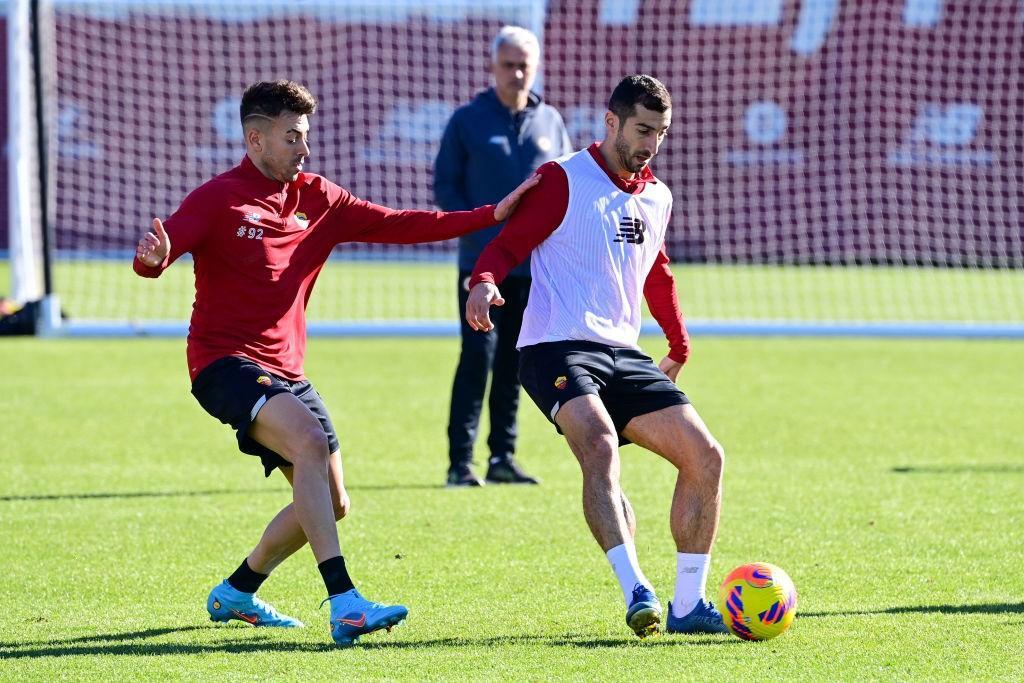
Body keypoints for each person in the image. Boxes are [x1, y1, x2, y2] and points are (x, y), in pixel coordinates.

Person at [133, 80, 537, 646]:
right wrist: (150, 262)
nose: (305, 150)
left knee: (334, 501)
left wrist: (491, 213)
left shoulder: (319, 198)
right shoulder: (217, 199)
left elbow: (403, 223)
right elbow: (161, 251)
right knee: (310, 445)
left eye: (307, 136)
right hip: (222, 364)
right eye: (293, 137)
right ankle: (345, 603)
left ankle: (237, 591)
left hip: (287, 371)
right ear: (255, 139)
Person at [465, 75, 728, 638]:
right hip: (553, 345)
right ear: (611, 122)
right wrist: (483, 281)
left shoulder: (658, 194)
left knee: (706, 456)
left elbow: (656, 272)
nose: (651, 143)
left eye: (660, 133)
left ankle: (688, 605)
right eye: (642, 129)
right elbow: (506, 244)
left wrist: (678, 344)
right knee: (600, 441)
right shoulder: (563, 179)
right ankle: (637, 589)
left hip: (621, 350)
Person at [434, 25, 572, 487]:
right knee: (476, 357)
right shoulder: (467, 121)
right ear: (492, 67)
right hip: (480, 266)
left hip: (533, 268)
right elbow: (446, 188)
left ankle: (502, 457)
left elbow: (566, 192)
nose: (517, 73)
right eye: (508, 64)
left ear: (535, 68)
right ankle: (459, 463)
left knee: (516, 361)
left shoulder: (551, 121)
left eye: (524, 65)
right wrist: (480, 228)